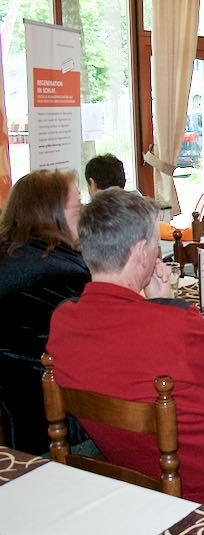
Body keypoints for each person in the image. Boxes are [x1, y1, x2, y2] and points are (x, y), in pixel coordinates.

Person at [47, 188, 204, 504]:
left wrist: (161, 305)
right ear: (142, 251)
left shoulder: (62, 322)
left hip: (121, 481)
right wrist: (167, 305)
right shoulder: (176, 326)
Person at [0, 170, 91, 454]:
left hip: (13, 420)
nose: (84, 214)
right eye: (78, 207)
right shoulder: (60, 272)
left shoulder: (11, 256)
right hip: (56, 429)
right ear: (53, 216)